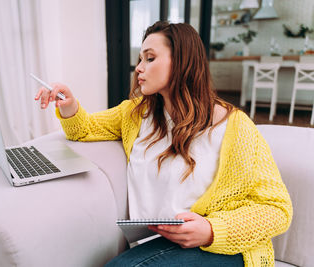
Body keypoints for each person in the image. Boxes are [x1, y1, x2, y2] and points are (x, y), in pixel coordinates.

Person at [34, 21, 292, 267]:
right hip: (155, 246)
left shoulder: (236, 127)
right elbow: (85, 129)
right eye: (140, 59)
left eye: (150, 58)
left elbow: (277, 209)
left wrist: (212, 231)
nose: (139, 68)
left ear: (181, 62)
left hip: (220, 249)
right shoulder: (135, 114)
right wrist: (69, 105)